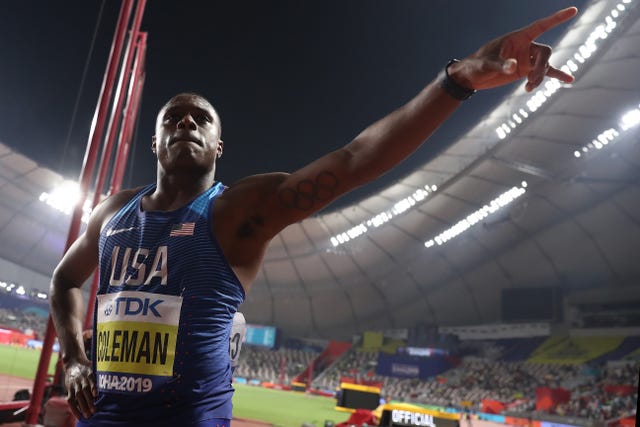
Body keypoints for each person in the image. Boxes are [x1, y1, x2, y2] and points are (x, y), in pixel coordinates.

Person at [49, 7, 578, 427]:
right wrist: (74, 358)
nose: (186, 120)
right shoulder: (111, 212)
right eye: (172, 118)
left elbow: (352, 161)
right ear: (155, 140)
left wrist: (458, 79)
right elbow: (66, 279)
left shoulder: (238, 213)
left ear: (218, 145)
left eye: (201, 118)